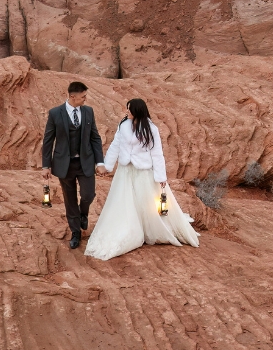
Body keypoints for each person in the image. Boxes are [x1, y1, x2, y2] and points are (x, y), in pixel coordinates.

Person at [85, 98, 198, 261]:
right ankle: (130, 229)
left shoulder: (151, 129)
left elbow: (157, 153)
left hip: (143, 172)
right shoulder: (123, 126)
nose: (127, 112)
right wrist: (107, 166)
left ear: (137, 111)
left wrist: (161, 177)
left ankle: (149, 228)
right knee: (124, 201)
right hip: (125, 171)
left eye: (129, 110)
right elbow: (115, 146)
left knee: (145, 203)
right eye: (127, 109)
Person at [41, 81, 105, 249]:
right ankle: (75, 232)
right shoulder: (55, 113)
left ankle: (83, 213)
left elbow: (95, 138)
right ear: (72, 97)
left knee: (88, 194)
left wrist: (100, 162)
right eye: (83, 97)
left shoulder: (88, 111)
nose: (85, 99)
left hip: (86, 162)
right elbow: (48, 141)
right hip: (64, 164)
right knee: (70, 200)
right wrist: (46, 166)